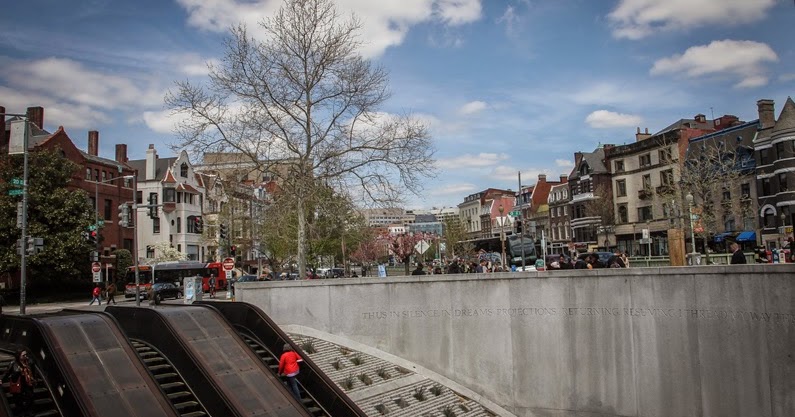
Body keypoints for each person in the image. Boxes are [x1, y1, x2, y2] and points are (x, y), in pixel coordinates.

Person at [3, 350, 36, 416]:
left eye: (26, 355)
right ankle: (20, 412)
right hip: (18, 382)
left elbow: (33, 372)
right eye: (23, 355)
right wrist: (2, 380)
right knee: (18, 398)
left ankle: (28, 411)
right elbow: (7, 373)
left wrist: (34, 380)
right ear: (18, 356)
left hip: (27, 382)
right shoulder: (13, 363)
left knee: (30, 396)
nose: (25, 356)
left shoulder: (29, 362)